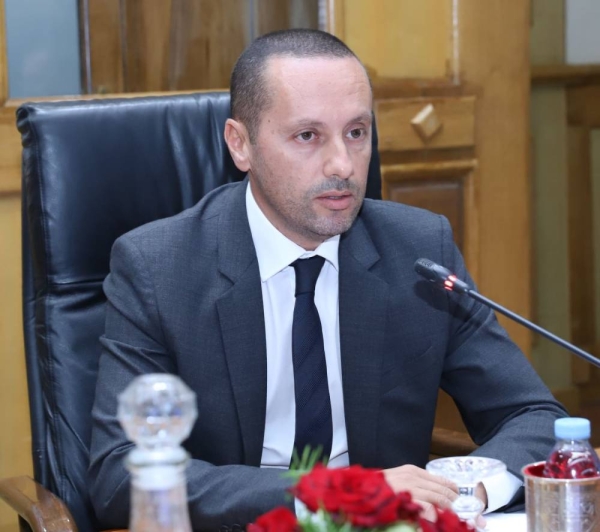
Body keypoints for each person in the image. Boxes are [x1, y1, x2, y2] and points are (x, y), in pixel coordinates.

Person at [88, 28, 567, 530]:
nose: (343, 164)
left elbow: (537, 418)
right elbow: (120, 474)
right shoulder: (158, 268)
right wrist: (332, 496)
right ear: (240, 144)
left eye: (357, 133)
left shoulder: (419, 251)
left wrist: (465, 493)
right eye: (308, 136)